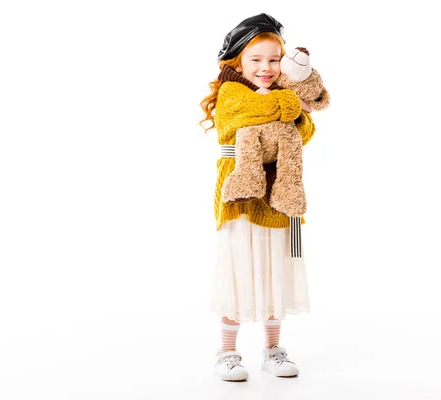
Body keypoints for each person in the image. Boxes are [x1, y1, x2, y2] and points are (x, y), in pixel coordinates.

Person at [200, 13, 317, 381]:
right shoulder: (231, 92)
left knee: (274, 271)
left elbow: (306, 131)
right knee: (239, 269)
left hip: (279, 197)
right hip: (240, 199)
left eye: (274, 60)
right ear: (237, 60)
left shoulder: (282, 93)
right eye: (256, 59)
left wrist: (292, 108)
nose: (266, 68)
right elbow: (250, 115)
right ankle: (227, 351)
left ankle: (272, 348)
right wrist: (293, 103)